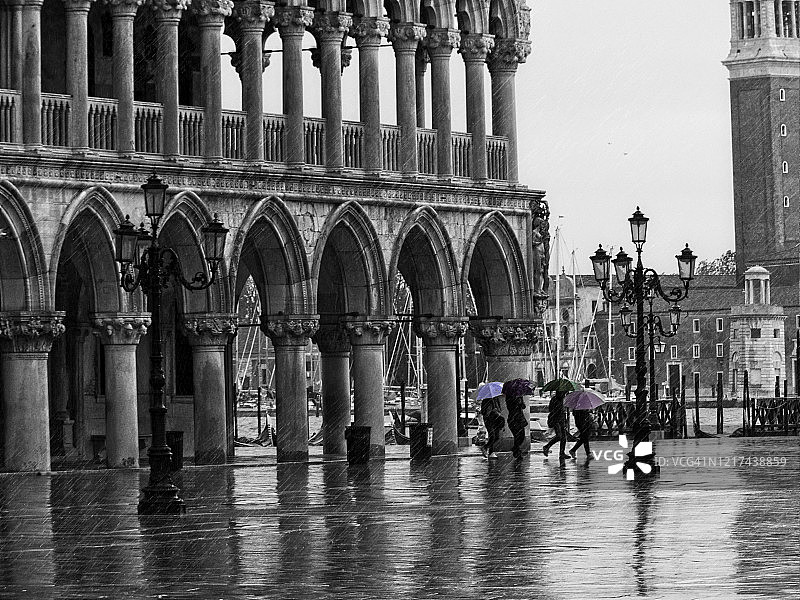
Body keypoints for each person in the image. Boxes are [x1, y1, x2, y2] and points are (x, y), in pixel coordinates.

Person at [541, 390, 570, 459]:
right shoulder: (554, 400)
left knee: (563, 437)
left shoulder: (563, 400)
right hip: (555, 420)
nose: (564, 394)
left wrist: (565, 419)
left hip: (561, 419)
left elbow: (563, 411)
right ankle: (547, 446)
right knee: (559, 436)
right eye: (563, 393)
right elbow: (551, 410)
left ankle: (562, 453)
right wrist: (559, 409)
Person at [480, 394, 505, 458]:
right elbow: (484, 412)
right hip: (489, 420)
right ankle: (486, 448)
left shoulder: (496, 399)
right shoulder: (486, 400)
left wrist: (497, 412)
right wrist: (490, 410)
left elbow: (499, 409)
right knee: (492, 436)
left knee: (497, 436)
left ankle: (490, 451)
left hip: (495, 419)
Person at [506, 394, 529, 459]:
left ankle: (515, 448)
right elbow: (510, 407)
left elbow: (523, 406)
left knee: (522, 436)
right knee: (517, 436)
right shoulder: (509, 397)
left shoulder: (520, 396)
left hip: (520, 419)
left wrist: (521, 402)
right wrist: (517, 402)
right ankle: (517, 453)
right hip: (513, 419)